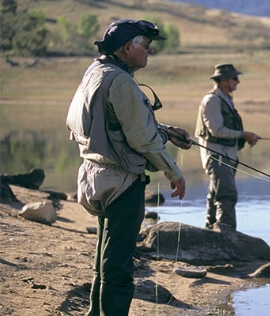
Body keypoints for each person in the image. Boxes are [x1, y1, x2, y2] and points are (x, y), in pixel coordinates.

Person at [65, 19, 192, 316]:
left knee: (105, 256)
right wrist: (174, 173)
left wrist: (164, 130)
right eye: (145, 46)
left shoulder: (96, 70)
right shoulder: (121, 80)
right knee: (119, 264)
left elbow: (114, 122)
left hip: (93, 175)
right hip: (121, 181)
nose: (149, 52)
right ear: (126, 48)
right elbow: (142, 141)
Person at [195, 63, 260, 230]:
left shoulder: (226, 99)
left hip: (227, 155)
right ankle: (226, 232)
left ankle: (211, 230)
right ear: (223, 81)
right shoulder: (212, 100)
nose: (238, 82)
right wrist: (243, 135)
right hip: (216, 155)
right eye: (234, 78)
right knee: (227, 194)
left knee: (215, 192)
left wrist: (245, 136)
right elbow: (216, 130)